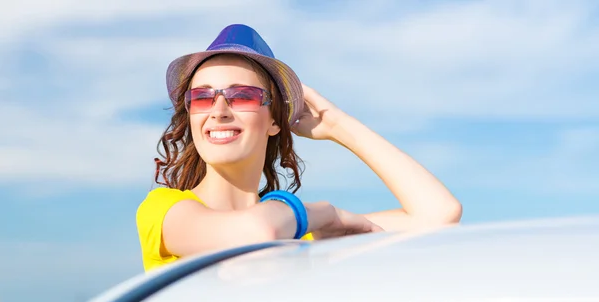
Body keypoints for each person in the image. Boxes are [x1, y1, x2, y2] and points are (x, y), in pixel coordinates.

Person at [136, 24, 462, 272]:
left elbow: (439, 214)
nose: (218, 110)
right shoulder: (163, 209)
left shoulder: (297, 230)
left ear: (274, 121)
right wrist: (327, 214)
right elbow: (256, 232)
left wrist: (338, 125)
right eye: (203, 97)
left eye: (242, 96)